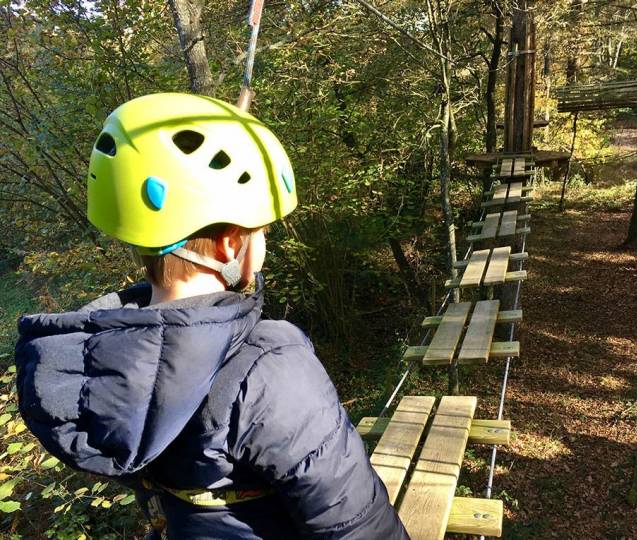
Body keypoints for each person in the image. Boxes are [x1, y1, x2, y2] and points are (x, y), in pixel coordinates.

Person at [15, 93, 408, 539]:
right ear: (228, 244)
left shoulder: (105, 362)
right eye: (261, 231)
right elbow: (358, 523)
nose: (264, 242)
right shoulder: (270, 363)